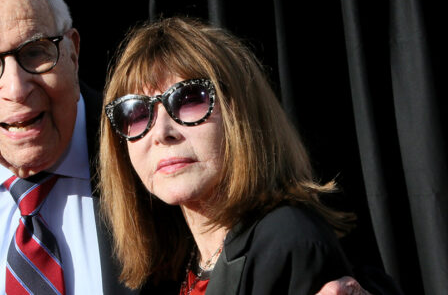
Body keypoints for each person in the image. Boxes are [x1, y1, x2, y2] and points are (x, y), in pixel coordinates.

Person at [0, 0, 368, 295]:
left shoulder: (158, 156)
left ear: (73, 52)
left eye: (36, 51)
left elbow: (308, 255)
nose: (16, 89)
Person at [98, 16, 372, 294]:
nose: (161, 132)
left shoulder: (286, 241)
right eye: (136, 112)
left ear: (240, 113)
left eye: (190, 99)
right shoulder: (168, 270)